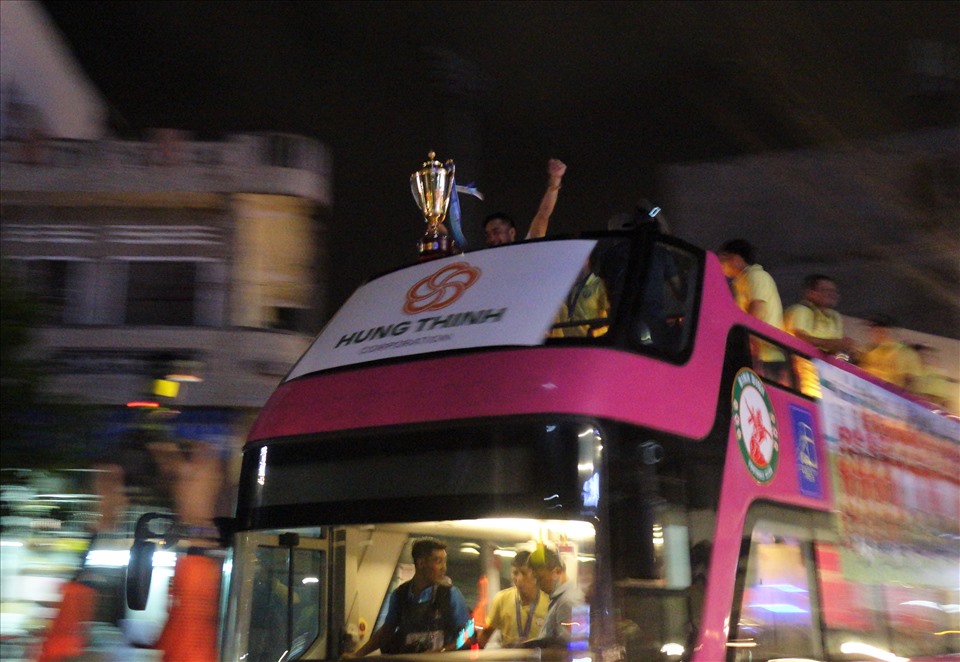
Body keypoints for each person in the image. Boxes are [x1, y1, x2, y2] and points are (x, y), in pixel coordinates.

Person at [346, 538, 471, 657]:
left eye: (444, 561)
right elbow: (386, 631)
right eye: (438, 561)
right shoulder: (400, 595)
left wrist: (443, 651)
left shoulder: (450, 594)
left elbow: (468, 634)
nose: (444, 568)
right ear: (421, 563)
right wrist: (357, 655)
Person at [483, 158, 567, 247]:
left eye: (496, 232)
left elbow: (543, 214)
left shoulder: (527, 249)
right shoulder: (484, 259)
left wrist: (555, 179)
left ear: (512, 232)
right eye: (488, 235)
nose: (491, 239)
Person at [478, 550, 549, 648]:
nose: (519, 579)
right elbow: (485, 635)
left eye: (524, 573)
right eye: (515, 573)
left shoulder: (549, 602)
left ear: (535, 575)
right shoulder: (502, 599)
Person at [524, 544, 586, 648]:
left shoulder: (569, 601)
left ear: (557, 572)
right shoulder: (560, 600)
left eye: (540, 578)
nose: (537, 584)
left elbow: (575, 648)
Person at [783, 274, 856, 357]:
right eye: (825, 290)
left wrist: (846, 348)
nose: (831, 294)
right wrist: (834, 343)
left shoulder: (835, 317)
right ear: (810, 293)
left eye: (834, 291)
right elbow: (798, 339)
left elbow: (835, 348)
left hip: (823, 367)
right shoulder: (800, 310)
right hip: (801, 365)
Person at [717, 239, 783, 329]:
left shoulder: (756, 275)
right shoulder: (742, 281)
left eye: (724, 257)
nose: (720, 264)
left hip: (761, 341)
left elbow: (758, 310)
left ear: (736, 258)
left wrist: (743, 335)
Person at [857, 315, 923, 391]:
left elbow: (911, 380)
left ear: (888, 332)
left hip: (890, 394)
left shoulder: (905, 352)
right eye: (874, 331)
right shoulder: (869, 351)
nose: (876, 335)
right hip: (869, 390)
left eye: (881, 332)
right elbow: (863, 371)